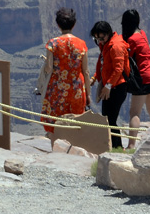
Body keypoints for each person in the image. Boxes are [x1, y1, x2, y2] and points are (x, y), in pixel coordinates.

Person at [39, 8, 90, 136]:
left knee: (56, 125)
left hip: (57, 90)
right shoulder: (81, 44)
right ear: (74, 24)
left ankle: (56, 150)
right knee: (75, 125)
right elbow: (86, 72)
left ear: (58, 24)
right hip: (76, 91)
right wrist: (88, 94)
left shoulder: (53, 43)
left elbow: (49, 68)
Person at [121, 9, 150, 149]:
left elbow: (126, 55)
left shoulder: (131, 40)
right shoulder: (142, 34)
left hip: (142, 78)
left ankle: (131, 145)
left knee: (134, 113)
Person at [91, 20, 129, 149]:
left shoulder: (116, 46)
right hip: (110, 86)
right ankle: (113, 146)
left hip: (117, 87)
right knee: (107, 119)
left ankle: (117, 148)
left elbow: (118, 69)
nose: (99, 41)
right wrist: (94, 78)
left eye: (101, 37)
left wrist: (107, 87)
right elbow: (104, 66)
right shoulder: (106, 44)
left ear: (107, 33)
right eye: (96, 38)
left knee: (110, 120)